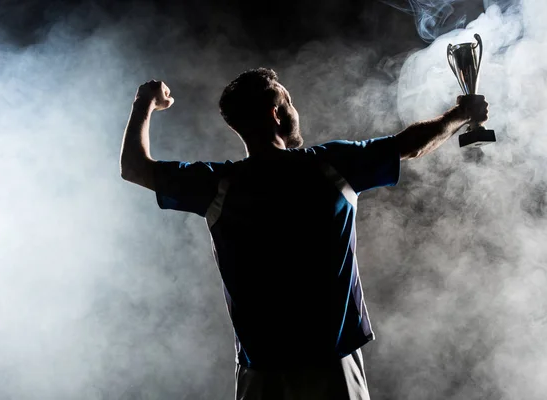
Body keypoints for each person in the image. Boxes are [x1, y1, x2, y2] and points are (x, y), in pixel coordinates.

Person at [119, 68, 489, 400]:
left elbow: (134, 167)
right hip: (332, 367)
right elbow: (411, 144)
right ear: (275, 114)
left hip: (261, 372)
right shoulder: (329, 165)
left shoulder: (218, 185)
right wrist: (460, 115)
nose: (295, 110)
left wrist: (144, 102)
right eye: (289, 102)